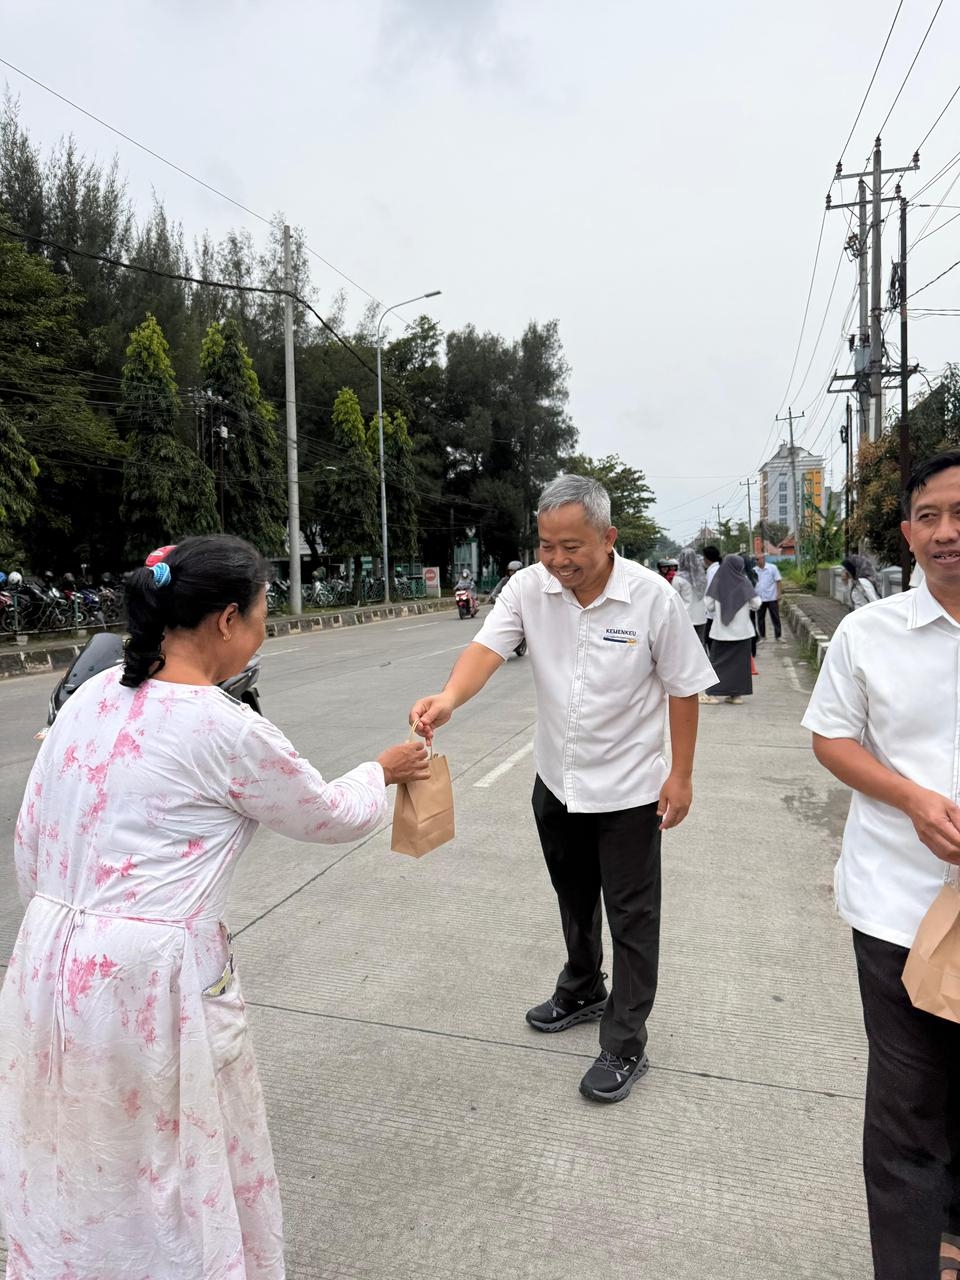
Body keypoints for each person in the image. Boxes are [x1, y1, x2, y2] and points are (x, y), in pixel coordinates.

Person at [0, 534, 429, 1278]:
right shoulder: (224, 729)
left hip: (48, 955)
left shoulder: (91, 696)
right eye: (264, 614)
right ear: (228, 620)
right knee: (165, 1157)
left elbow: (31, 836)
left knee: (71, 1140)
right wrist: (381, 769)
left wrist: (51, 934)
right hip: (147, 980)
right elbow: (327, 814)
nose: (264, 630)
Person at [409, 476, 716, 1104]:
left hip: (630, 789)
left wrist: (679, 774)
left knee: (633, 917)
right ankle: (582, 985)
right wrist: (447, 699)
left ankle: (626, 1041)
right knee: (573, 896)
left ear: (608, 538)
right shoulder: (530, 588)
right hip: (557, 781)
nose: (557, 560)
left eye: (571, 546)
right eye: (547, 545)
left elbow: (684, 688)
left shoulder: (652, 599)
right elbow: (487, 649)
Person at [802, 450, 960, 1279]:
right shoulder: (869, 634)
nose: (947, 532)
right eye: (929, 516)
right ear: (905, 533)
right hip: (899, 906)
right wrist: (908, 798)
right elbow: (830, 736)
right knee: (907, 1108)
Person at [701, 554, 760, 705]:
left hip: (721, 632)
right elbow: (756, 604)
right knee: (739, 666)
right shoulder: (744, 582)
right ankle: (736, 696)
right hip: (743, 632)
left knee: (717, 663)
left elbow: (709, 606)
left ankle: (712, 694)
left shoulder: (718, 581)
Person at [673, 546, 708, 646]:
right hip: (701, 615)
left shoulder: (678, 578)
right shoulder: (701, 576)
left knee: (687, 646)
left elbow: (675, 599)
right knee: (700, 644)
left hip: (685, 617)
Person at [754, 552, 783, 639]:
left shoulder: (772, 568)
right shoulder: (754, 570)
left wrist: (779, 594)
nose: (756, 561)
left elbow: (778, 581)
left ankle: (778, 636)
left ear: (763, 559)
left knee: (775, 617)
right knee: (760, 619)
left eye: (758, 559)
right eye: (755, 559)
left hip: (772, 597)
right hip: (759, 598)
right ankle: (762, 636)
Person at [702, 545, 722, 650]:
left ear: (707, 558)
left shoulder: (712, 571)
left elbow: (710, 592)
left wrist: (708, 608)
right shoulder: (717, 568)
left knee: (709, 639)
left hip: (712, 612)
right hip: (717, 610)